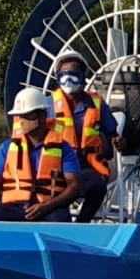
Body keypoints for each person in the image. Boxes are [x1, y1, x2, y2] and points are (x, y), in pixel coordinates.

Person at [0, 88, 80, 222]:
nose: (21, 120)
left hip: (50, 209)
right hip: (13, 208)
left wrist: (45, 206)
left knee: (60, 219)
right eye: (19, 115)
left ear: (42, 116)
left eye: (26, 115)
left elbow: (74, 186)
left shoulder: (64, 148)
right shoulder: (7, 148)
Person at [51, 48, 123, 223]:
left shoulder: (97, 103)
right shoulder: (48, 104)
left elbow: (112, 132)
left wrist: (119, 142)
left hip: (87, 167)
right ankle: (61, 222)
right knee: (57, 205)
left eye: (73, 75)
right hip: (57, 167)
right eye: (63, 76)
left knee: (97, 187)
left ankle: (82, 224)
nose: (68, 80)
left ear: (83, 76)